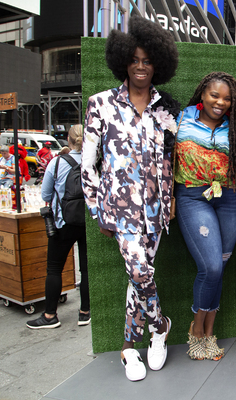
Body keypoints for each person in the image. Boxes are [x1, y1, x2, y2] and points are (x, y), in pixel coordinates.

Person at [81, 15, 179, 382]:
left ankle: (128, 348)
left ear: (158, 63)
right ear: (123, 60)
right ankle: (160, 324)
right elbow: (88, 166)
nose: (141, 66)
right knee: (139, 271)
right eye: (135, 59)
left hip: (155, 212)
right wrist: (97, 212)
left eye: (148, 60)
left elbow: (170, 160)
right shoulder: (100, 104)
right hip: (118, 211)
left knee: (137, 280)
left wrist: (169, 201)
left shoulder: (165, 109)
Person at [174, 72, 236, 361]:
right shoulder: (182, 120)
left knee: (220, 267)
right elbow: (164, 157)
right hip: (192, 197)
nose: (220, 102)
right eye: (214, 95)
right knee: (210, 266)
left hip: (228, 199)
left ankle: (210, 332)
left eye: (227, 98)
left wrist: (231, 177)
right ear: (202, 95)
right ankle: (197, 331)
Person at [26, 125, 90, 330]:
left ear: (68, 141)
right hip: (89, 221)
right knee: (87, 269)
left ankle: (50, 314)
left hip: (63, 223)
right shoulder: (94, 162)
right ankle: (85, 312)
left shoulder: (56, 163)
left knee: (54, 268)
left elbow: (45, 195)